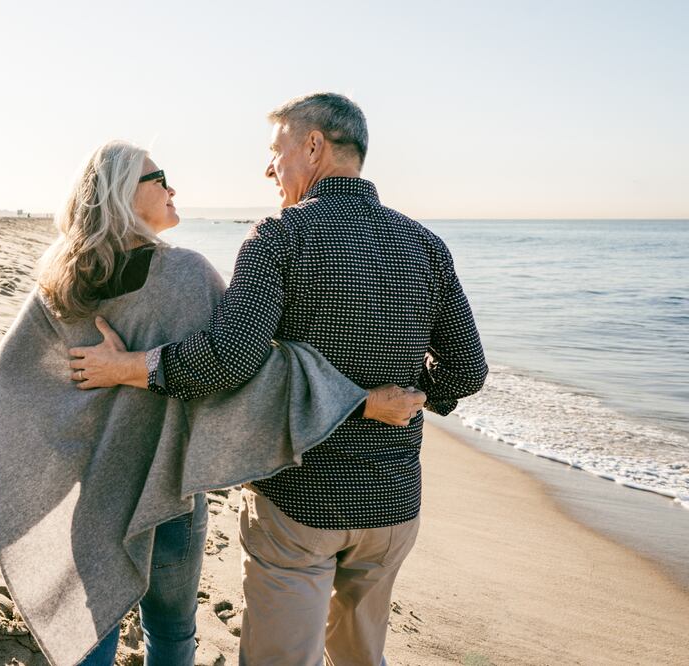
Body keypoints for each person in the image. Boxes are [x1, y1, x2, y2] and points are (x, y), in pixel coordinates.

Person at [69, 93, 488, 665]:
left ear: (313, 146)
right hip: (393, 503)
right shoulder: (425, 245)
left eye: (277, 150)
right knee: (362, 657)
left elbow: (228, 360)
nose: (270, 167)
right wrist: (414, 396)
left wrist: (131, 367)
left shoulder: (281, 237)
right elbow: (469, 370)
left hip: (301, 502)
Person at [0, 140, 424, 666]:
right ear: (123, 194)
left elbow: (12, 377)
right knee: (171, 634)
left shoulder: (60, 281)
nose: (172, 188)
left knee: (91, 631)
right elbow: (250, 371)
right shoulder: (187, 274)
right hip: (168, 486)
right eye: (159, 178)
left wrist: (81, 425)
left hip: (94, 488)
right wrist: (361, 402)